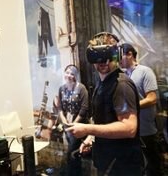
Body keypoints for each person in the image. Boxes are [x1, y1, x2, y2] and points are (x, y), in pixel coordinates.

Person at [67, 32, 143, 176]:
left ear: (117, 56)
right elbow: (103, 119)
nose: (103, 61)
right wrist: (91, 138)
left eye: (109, 55)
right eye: (97, 56)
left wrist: (88, 129)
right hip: (108, 161)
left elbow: (129, 128)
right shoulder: (101, 83)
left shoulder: (121, 85)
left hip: (122, 165)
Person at [120, 43, 164, 176]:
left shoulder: (145, 71)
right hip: (131, 130)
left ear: (129, 54)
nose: (118, 60)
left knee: (153, 167)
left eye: (120, 55)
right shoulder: (124, 76)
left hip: (146, 130)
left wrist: (131, 107)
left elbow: (152, 98)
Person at [57, 64, 89, 176]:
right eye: (67, 72)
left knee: (72, 153)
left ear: (75, 76)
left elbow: (84, 109)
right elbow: (60, 107)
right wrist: (63, 120)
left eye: (72, 73)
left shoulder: (81, 88)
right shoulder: (61, 89)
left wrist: (73, 124)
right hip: (66, 125)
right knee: (69, 152)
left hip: (78, 125)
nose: (69, 75)